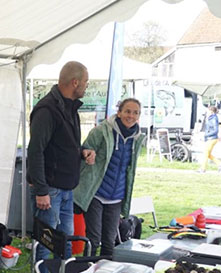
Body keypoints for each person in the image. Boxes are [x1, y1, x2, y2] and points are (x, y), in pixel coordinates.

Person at [27, 61, 96, 260]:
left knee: (66, 239)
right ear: (75, 82)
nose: (86, 86)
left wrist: (82, 151)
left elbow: (62, 144)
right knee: (46, 242)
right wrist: (41, 191)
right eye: (85, 82)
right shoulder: (47, 110)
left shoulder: (70, 107)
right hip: (50, 189)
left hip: (66, 188)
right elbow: (35, 151)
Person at [74, 98, 146, 256]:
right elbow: (86, 147)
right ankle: (88, 272)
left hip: (116, 197)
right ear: (119, 112)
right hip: (96, 193)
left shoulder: (138, 138)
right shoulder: (102, 130)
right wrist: (87, 153)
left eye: (135, 113)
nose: (131, 116)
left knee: (110, 240)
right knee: (93, 238)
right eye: (127, 111)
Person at [199, 104, 221, 173]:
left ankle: (203, 169)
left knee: (205, 153)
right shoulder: (211, 118)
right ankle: (220, 164)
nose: (206, 113)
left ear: (211, 112)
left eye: (208, 111)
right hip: (211, 138)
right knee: (208, 154)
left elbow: (215, 130)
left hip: (211, 138)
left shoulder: (213, 119)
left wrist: (206, 135)